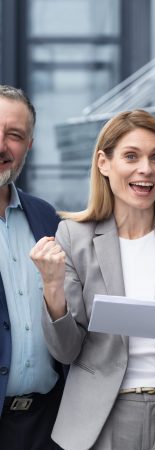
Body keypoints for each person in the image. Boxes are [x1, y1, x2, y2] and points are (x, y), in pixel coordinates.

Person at [30, 109, 155, 450]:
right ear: (103, 162)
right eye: (131, 156)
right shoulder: (73, 235)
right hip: (100, 418)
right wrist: (52, 288)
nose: (146, 169)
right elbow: (66, 351)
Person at [0, 84, 64, 449]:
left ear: (29, 146)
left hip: (47, 424)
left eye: (14, 135)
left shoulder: (48, 218)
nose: (1, 145)